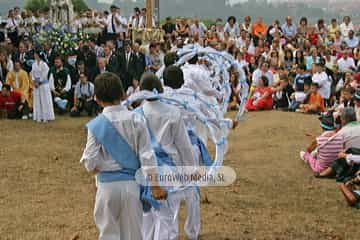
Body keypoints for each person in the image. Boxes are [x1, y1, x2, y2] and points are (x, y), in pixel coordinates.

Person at [81, 72, 166, 240]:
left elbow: (90, 161)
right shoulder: (137, 119)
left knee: (108, 234)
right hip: (131, 186)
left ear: (96, 99)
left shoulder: (96, 125)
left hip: (106, 188)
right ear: (123, 94)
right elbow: (147, 156)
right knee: (134, 234)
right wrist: (155, 185)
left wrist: (99, 168)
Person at [138, 73, 196, 240]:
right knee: (167, 220)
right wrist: (191, 169)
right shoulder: (173, 112)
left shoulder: (135, 113)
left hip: (143, 171)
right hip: (168, 170)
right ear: (160, 89)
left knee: (146, 217)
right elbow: (184, 146)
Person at [316, 108, 360, 181]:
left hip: (352, 161)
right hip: (355, 158)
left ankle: (328, 172)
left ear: (343, 119)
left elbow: (326, 145)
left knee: (343, 154)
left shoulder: (343, 132)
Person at [31, 51, 54, 123]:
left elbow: (45, 74)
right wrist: (34, 81)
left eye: (35, 54)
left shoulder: (44, 64)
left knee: (45, 101)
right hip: (36, 85)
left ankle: (47, 117)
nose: (34, 56)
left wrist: (39, 82)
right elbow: (32, 73)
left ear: (38, 56)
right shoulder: (34, 64)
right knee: (37, 100)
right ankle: (38, 116)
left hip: (44, 84)